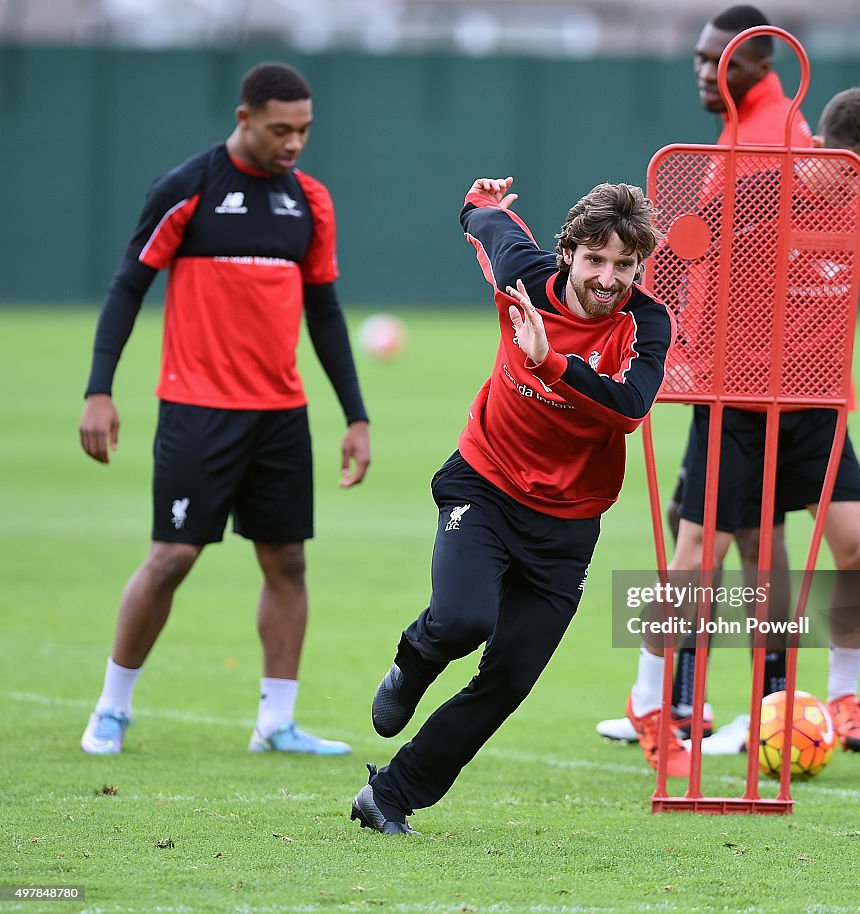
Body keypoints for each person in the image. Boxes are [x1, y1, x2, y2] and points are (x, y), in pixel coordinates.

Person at [604, 79, 860, 766]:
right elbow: (678, 253)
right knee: (701, 558)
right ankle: (648, 701)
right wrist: (673, 343)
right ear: (821, 146)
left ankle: (844, 699)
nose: (859, 186)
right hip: (736, 400)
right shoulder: (760, 192)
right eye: (853, 170)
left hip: (817, 402)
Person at [349, 176, 670, 835]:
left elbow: (630, 407)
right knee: (464, 620)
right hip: (485, 485)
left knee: (510, 678)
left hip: (569, 523)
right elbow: (481, 219)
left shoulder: (647, 322)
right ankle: (415, 659)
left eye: (624, 266)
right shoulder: (522, 273)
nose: (608, 278)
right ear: (568, 253)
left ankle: (390, 797)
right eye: (596, 260)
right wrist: (481, 200)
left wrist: (552, 363)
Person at [78, 61, 371, 756]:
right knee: (173, 557)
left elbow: (324, 313)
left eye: (304, 130)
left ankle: (277, 723)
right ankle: (111, 708)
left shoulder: (311, 201)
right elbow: (127, 287)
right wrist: (99, 388)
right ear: (244, 120)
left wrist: (354, 415)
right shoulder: (187, 188)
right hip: (195, 410)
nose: (294, 143)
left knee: (288, 562)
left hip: (280, 414)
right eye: (280, 130)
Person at [597, 4, 811, 770]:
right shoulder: (746, 123)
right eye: (697, 57)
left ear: (758, 64)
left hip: (748, 373)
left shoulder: (769, 128)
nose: (702, 69)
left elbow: (729, 227)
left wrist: (683, 251)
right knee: (752, 541)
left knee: (703, 543)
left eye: (716, 59)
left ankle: (674, 702)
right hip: (738, 368)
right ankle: (751, 703)